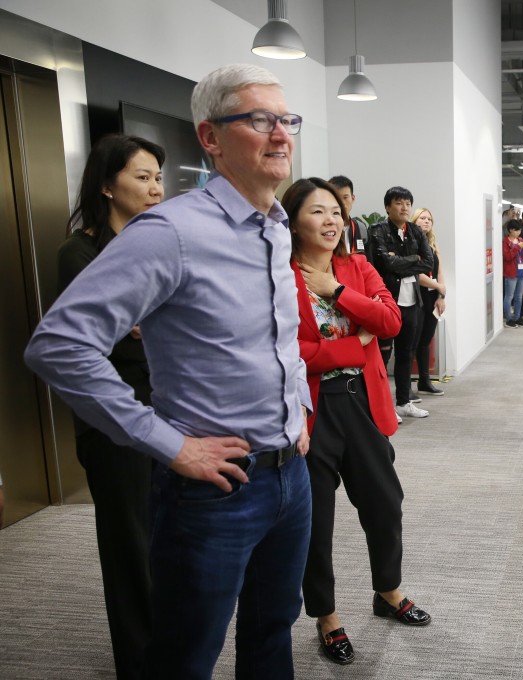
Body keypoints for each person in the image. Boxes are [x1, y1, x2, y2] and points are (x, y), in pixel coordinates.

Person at [25, 63, 314, 680]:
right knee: (185, 657)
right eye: (259, 120)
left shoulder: (275, 225)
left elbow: (276, 339)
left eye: (287, 120)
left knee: (272, 632)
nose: (281, 134)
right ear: (211, 137)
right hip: (213, 490)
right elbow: (58, 344)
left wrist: (299, 410)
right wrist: (169, 444)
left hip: (290, 475)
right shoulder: (172, 231)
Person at [285, 178, 432, 667]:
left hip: (363, 403)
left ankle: (387, 592)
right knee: (316, 522)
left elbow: (389, 322)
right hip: (311, 410)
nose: (330, 220)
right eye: (316, 212)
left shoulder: (357, 267)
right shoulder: (280, 276)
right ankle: (327, 617)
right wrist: (353, 345)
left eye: (335, 211)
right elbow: (288, 352)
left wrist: (337, 291)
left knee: (385, 503)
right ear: (293, 222)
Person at [56, 133, 166, 680]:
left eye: (158, 178)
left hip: (168, 404)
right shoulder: (80, 251)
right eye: (142, 177)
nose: (155, 188)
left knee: (168, 534)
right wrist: (144, 323)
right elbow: (97, 333)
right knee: (129, 541)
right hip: (113, 412)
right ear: (106, 185)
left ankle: (170, 648)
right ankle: (141, 663)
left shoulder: (158, 242)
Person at [370, 187, 434, 419]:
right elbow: (385, 265)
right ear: (388, 207)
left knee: (406, 353)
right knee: (383, 356)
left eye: (408, 203)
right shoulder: (377, 230)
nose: (404, 207)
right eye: (399, 203)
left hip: (412, 301)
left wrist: (400, 261)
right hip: (388, 302)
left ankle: (404, 402)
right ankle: (382, 406)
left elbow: (428, 262)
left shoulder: (415, 231)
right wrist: (412, 260)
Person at [411, 207, 446, 396]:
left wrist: (441, 296)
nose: (426, 221)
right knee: (412, 341)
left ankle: (424, 381)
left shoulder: (432, 244)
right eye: (422, 218)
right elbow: (417, 274)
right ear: (414, 220)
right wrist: (438, 286)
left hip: (432, 297)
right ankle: (405, 388)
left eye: (429, 219)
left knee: (426, 339)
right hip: (416, 296)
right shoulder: (410, 243)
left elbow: (439, 271)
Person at [328, 175, 373, 264]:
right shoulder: (325, 227)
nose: (341, 203)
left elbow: (369, 262)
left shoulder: (361, 228)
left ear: (353, 198)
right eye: (337, 198)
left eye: (345, 197)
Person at [502, 219, 523, 327]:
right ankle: (509, 319)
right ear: (511, 230)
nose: (519, 232)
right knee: (509, 296)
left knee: (519, 297)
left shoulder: (520, 239)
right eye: (517, 230)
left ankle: (517, 317)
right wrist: (518, 246)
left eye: (520, 230)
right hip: (511, 273)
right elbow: (507, 257)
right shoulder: (505, 242)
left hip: (522, 272)